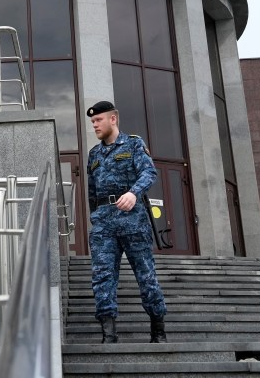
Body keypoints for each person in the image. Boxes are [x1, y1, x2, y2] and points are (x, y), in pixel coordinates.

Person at [86, 100, 167, 343]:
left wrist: (133, 193)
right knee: (102, 276)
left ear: (113, 119)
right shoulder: (94, 154)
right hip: (103, 224)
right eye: (92, 122)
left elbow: (149, 172)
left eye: (98, 120)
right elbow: (92, 192)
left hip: (133, 220)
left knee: (146, 275)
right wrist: (95, 216)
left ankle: (158, 330)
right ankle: (108, 335)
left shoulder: (133, 144)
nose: (95, 125)